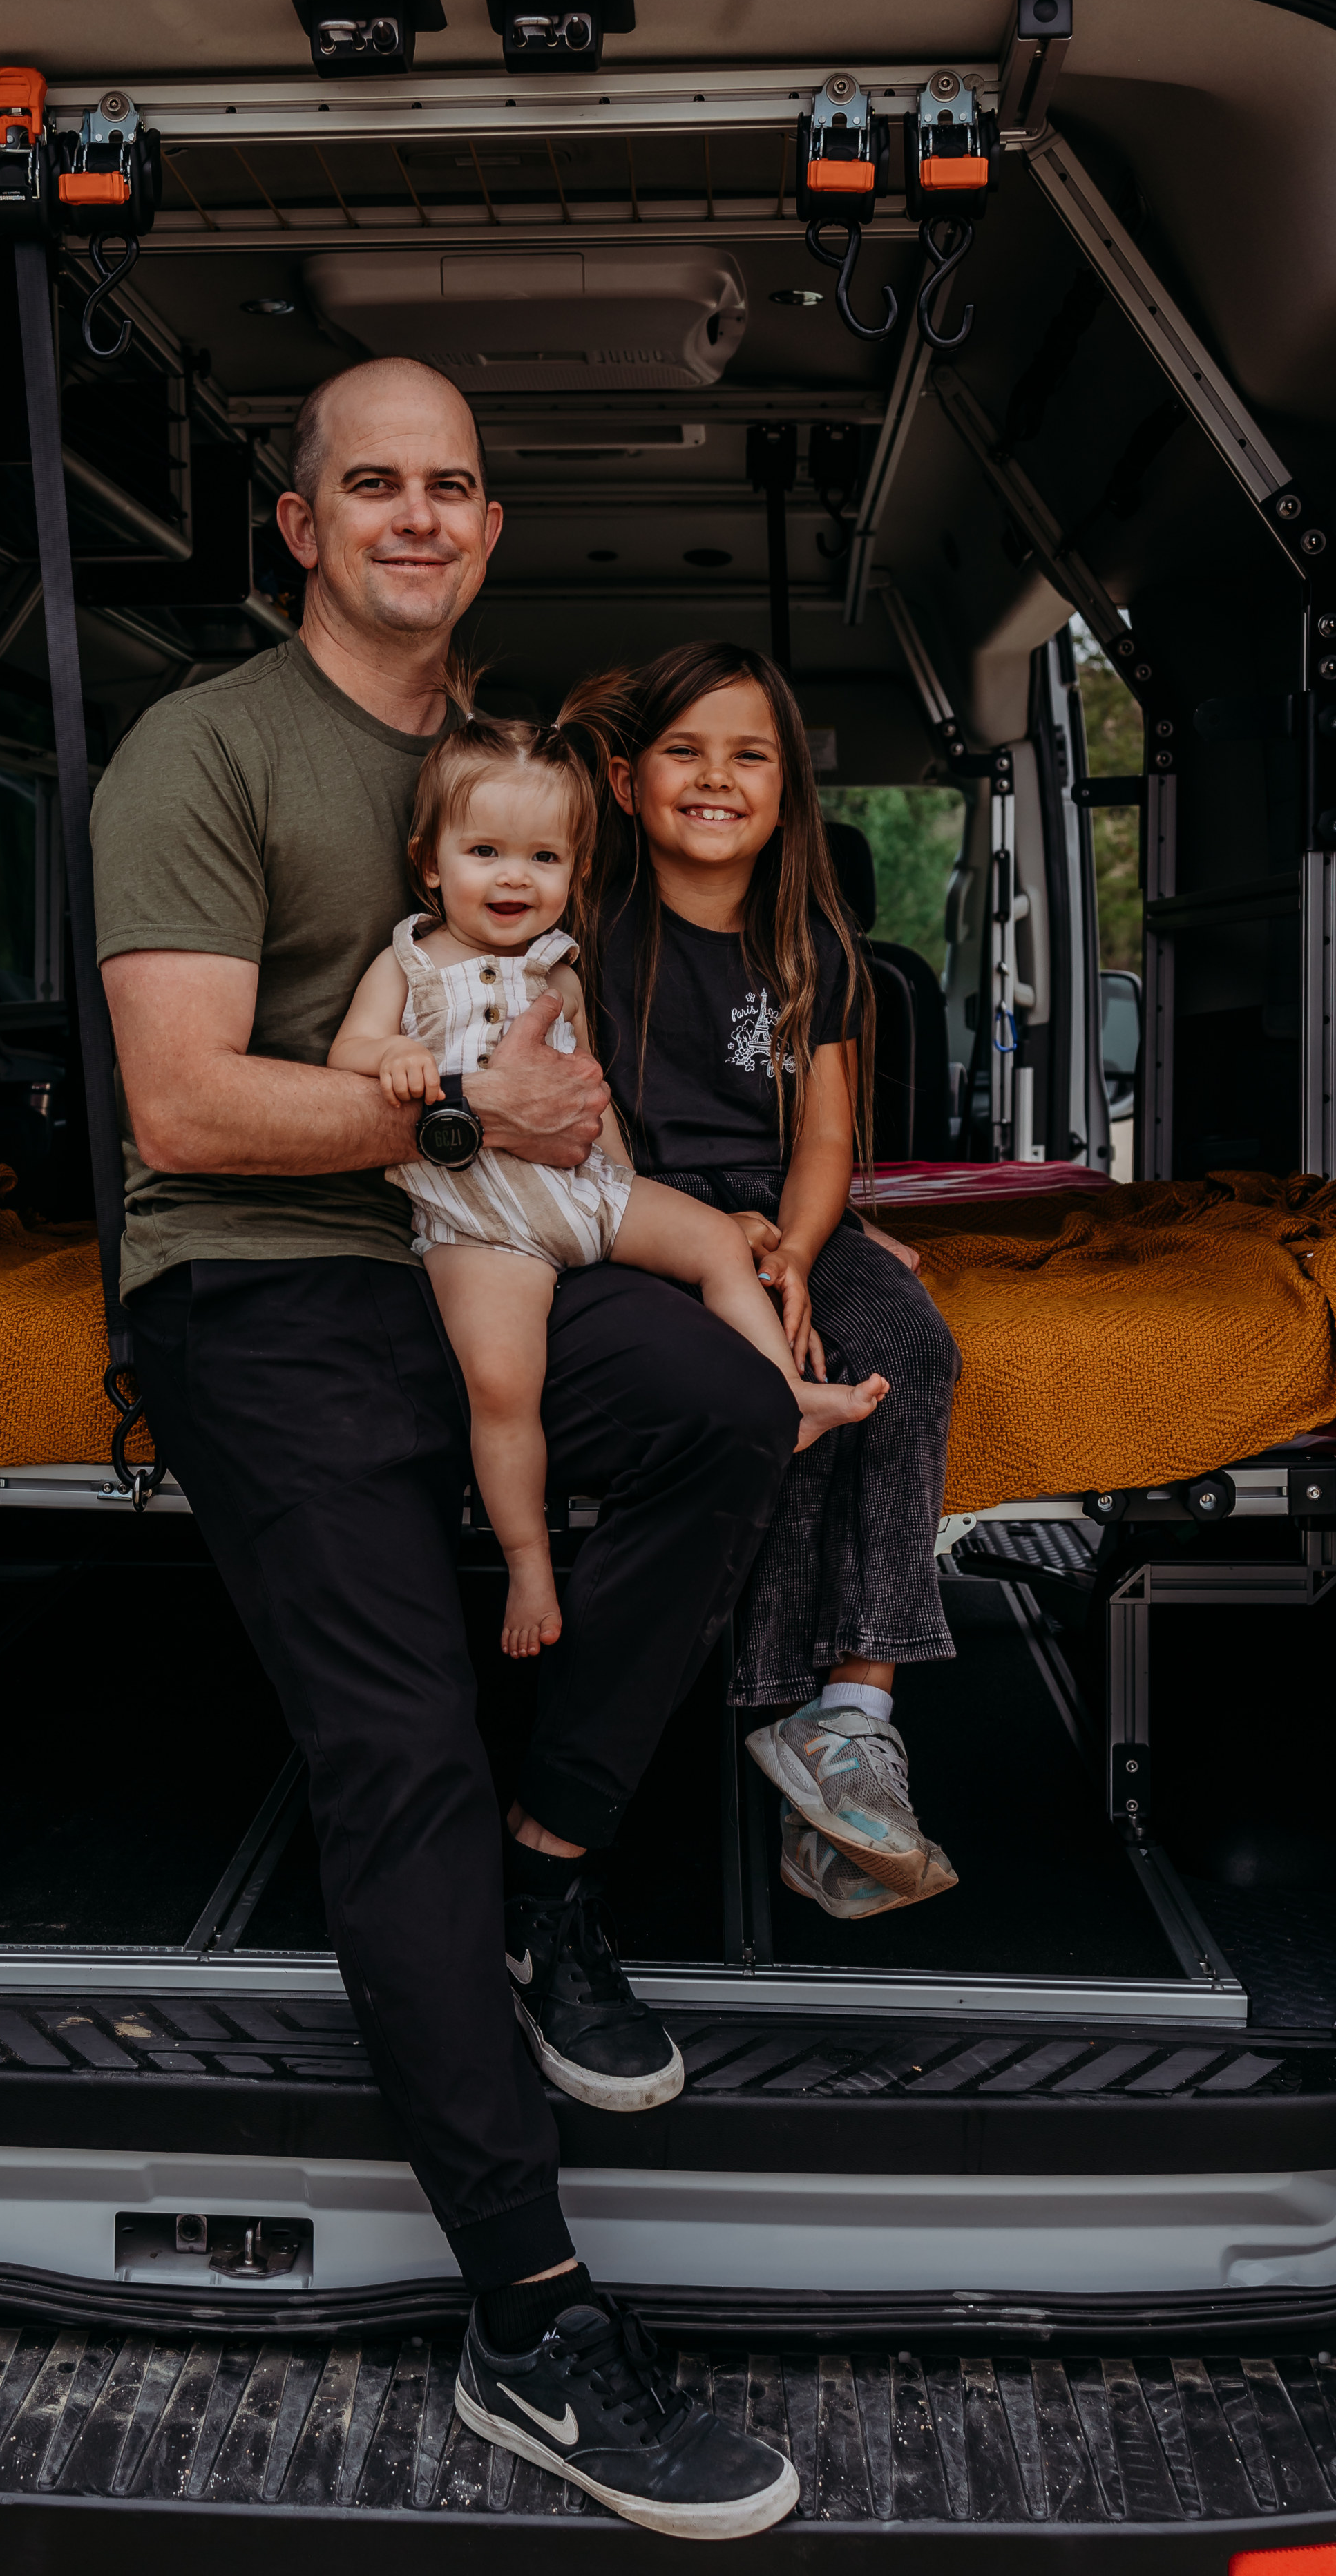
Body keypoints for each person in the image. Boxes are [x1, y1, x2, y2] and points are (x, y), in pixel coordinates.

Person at [91, 358, 801, 2539]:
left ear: (490, 528)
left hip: (470, 1254)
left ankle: (550, 1877)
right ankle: (531, 2318)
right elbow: (187, 1108)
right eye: (369, 483)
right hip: (260, 1281)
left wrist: (728, 1237)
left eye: (454, 484)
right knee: (392, 1739)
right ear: (297, 526)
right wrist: (472, 1111)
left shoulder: (531, 774)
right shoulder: (199, 750)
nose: (417, 513)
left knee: (725, 1410)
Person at [329, 710, 888, 1657]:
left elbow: (591, 1098)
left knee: (716, 1237)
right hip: (484, 1223)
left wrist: (629, 1191)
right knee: (503, 1385)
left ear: (577, 875)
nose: (515, 877)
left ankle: (782, 1394)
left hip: (581, 1191)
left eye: (545, 859)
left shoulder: (564, 969)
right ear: (431, 864)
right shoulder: (410, 964)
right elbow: (348, 1050)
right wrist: (396, 1061)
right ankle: (529, 1564)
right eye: (486, 852)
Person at [588, 642, 964, 1927]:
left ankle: (854, 1720)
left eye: (750, 755)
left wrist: (800, 1250)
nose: (717, 779)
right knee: (769, 1391)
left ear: (789, 790)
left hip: (787, 1214)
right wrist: (718, 1243)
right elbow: (595, 1143)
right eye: (685, 751)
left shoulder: (815, 946)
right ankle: (774, 1722)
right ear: (631, 782)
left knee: (904, 1356)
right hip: (636, 1214)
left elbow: (824, 1142)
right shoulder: (589, 928)